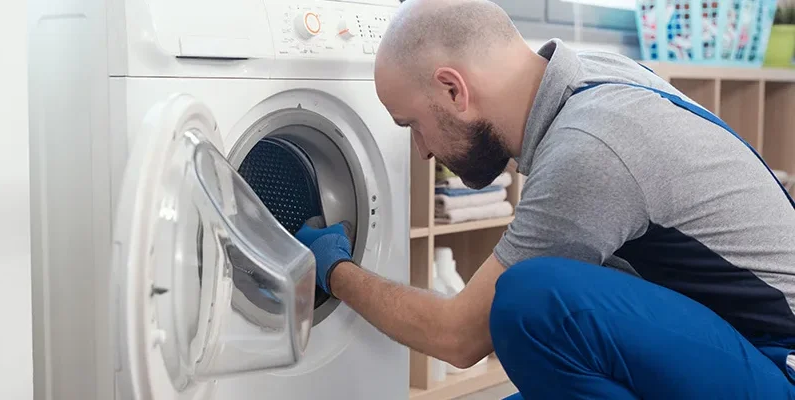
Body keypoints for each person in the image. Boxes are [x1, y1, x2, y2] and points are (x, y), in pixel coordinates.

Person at [294, 0, 795, 398]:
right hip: (733, 342)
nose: (422, 152)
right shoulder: (591, 76)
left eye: (413, 126)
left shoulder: (589, 149)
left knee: (530, 300)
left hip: (778, 362)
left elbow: (457, 337)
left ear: (453, 90)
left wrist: (336, 270)